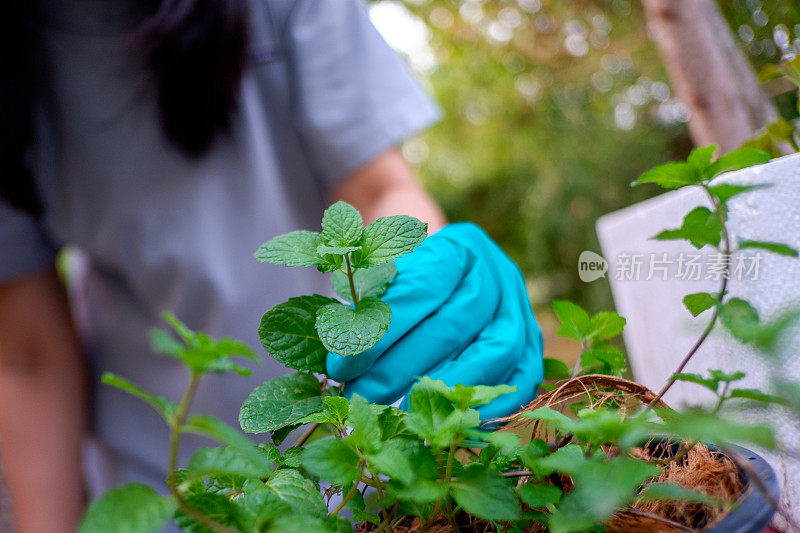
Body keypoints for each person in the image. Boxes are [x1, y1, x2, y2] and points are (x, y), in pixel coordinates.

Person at [0, 0, 544, 531]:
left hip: (352, 463)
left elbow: (381, 191)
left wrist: (438, 290)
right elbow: (26, 353)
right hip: (171, 489)